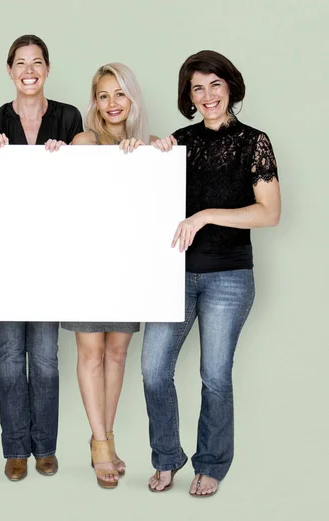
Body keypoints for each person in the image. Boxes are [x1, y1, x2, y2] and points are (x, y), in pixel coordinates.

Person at [142, 50, 281, 497]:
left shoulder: (254, 141)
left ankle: (211, 464)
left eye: (215, 85)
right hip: (174, 275)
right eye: (197, 88)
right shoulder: (178, 141)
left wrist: (204, 215)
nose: (207, 96)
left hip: (229, 277)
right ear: (189, 95)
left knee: (215, 375)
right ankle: (166, 458)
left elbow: (269, 213)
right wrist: (153, 154)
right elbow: (146, 196)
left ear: (230, 87)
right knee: (153, 370)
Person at [0, 34, 83, 481]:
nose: (29, 70)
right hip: (4, 258)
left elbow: (91, 172)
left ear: (47, 67)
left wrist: (72, 155)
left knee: (43, 357)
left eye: (36, 62)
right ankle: (15, 448)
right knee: (7, 356)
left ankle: (45, 447)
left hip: (51, 258)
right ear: (9, 70)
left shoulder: (68, 116)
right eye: (20, 63)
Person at [62, 62, 154, 488]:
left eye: (120, 93)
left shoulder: (150, 145)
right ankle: (100, 445)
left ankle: (106, 439)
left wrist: (160, 151)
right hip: (86, 263)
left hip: (128, 267)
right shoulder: (85, 141)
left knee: (117, 354)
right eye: (103, 95)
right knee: (91, 354)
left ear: (131, 98)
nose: (112, 103)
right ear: (95, 103)